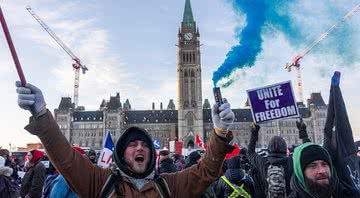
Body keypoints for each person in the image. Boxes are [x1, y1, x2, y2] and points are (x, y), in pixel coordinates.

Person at [15, 81, 235, 197]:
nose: (139, 147)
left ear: (152, 153)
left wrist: (219, 133)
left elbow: (206, 172)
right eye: (132, 144)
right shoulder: (101, 184)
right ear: (121, 153)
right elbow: (66, 158)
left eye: (144, 144)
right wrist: (42, 114)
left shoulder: (169, 186)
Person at [288, 142, 357, 198]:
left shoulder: (351, 194)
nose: (322, 171)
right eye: (312, 166)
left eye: (324, 164)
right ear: (300, 173)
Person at [248, 123, 292, 197]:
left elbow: (250, 152)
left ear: (269, 148)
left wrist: (254, 133)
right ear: (285, 148)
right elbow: (309, 155)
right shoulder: (291, 162)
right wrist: (303, 133)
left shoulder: (262, 162)